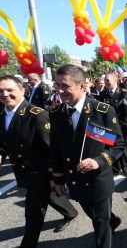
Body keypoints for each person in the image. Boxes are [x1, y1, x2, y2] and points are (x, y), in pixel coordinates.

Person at [50, 64, 125, 248]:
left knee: (100, 223)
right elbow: (56, 148)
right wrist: (57, 178)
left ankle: (108, 224)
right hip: (74, 178)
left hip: (97, 178)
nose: (60, 90)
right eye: (57, 85)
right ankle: (112, 219)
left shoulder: (101, 111)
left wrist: (98, 161)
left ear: (82, 86)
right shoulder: (56, 113)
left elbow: (117, 145)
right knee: (91, 211)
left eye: (65, 86)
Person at [0, 75, 78, 248]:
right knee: (47, 196)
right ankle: (74, 212)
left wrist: (55, 177)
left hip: (40, 172)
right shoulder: (2, 114)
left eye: (9, 90)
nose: (5, 94)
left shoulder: (37, 115)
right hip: (23, 171)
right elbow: (5, 142)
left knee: (33, 211)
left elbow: (53, 150)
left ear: (22, 90)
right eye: (1, 91)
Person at [99, 73, 127, 176]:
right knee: (111, 146)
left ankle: (125, 167)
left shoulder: (124, 92)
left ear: (115, 80)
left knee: (123, 147)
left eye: (108, 80)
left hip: (121, 124)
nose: (106, 83)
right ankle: (115, 168)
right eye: (105, 80)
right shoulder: (103, 94)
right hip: (108, 125)